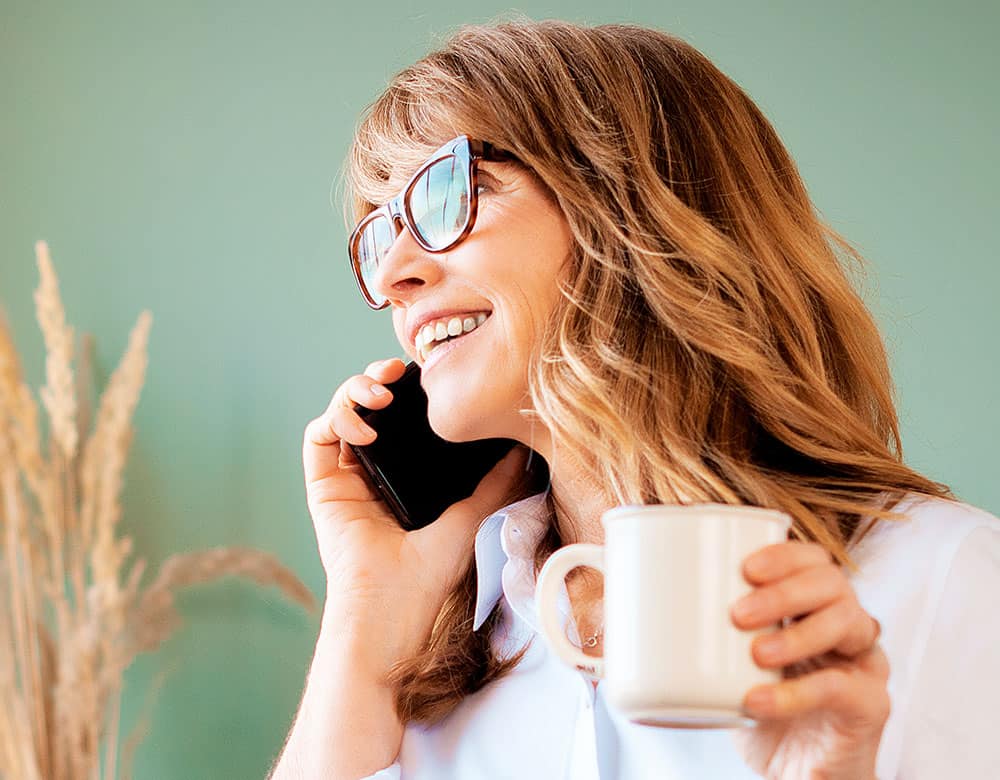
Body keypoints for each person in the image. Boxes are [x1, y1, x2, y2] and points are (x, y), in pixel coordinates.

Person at [270, 19, 1000, 780]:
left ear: (634, 209)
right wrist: (362, 619)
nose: (393, 273)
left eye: (449, 192)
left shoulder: (943, 582)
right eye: (380, 231)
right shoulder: (414, 659)